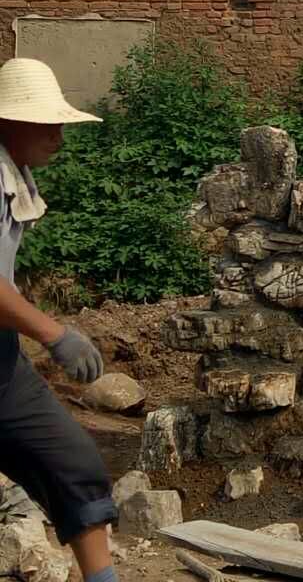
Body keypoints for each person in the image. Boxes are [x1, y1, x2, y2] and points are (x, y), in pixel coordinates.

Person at [0, 57, 118, 582]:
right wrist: (53, 333)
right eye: (45, 122)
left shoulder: (13, 178)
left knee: (75, 466)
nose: (57, 134)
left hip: (2, 366)